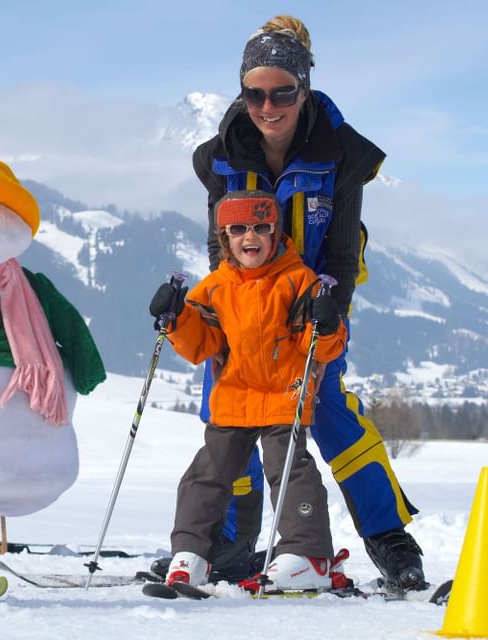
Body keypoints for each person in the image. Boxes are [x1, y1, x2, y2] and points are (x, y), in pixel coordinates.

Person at [191, 15, 425, 593]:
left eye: (283, 93)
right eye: (255, 94)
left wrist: (326, 323)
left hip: (311, 314)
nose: (268, 107)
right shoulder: (221, 158)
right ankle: (232, 544)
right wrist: (210, 316)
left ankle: (390, 539)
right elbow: (219, 249)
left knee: (333, 417)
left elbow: (342, 255)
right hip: (242, 316)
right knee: (225, 417)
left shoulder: (342, 155)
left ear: (304, 87)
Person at [149, 190, 348, 590]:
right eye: (238, 230)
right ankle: (191, 553)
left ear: (275, 234)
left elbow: (324, 347)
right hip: (235, 397)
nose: (249, 237)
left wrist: (326, 323)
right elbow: (201, 345)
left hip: (282, 396)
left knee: (288, 468)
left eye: (260, 228)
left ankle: (308, 555)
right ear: (225, 238)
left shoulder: (297, 281)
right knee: (208, 472)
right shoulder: (215, 287)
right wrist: (175, 318)